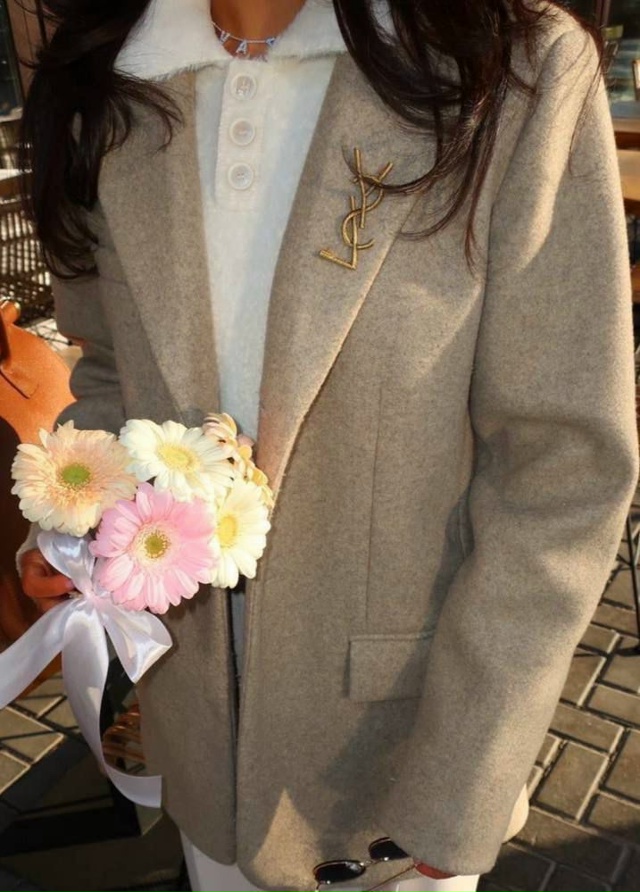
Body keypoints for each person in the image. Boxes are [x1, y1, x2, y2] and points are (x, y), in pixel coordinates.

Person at [16, 0, 638, 890]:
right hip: (197, 743)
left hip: (398, 758)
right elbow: (111, 363)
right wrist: (83, 522)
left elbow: (560, 471)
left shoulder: (511, 70)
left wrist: (467, 772)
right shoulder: (106, 79)